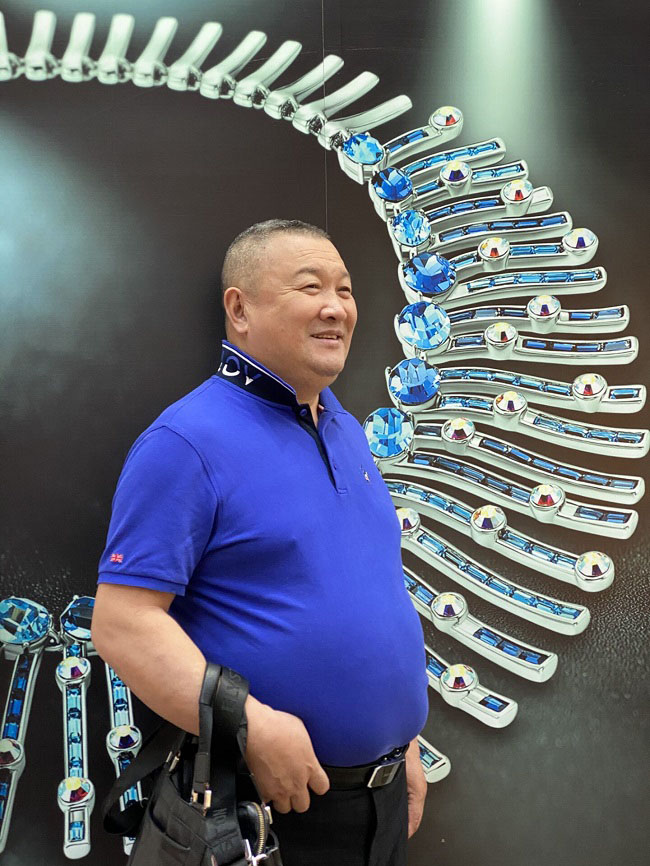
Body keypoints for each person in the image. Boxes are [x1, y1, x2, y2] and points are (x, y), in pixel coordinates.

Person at [91, 219, 430, 866]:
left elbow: (368, 592)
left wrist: (399, 742)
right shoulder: (185, 443)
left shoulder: (344, 428)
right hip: (265, 811)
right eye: (310, 287)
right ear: (240, 310)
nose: (336, 307)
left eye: (345, 289)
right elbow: (122, 624)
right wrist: (250, 726)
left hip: (380, 799)